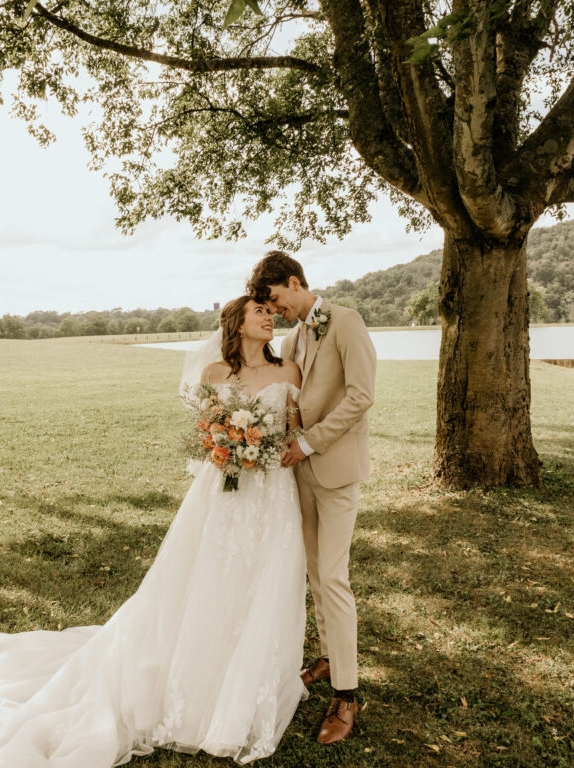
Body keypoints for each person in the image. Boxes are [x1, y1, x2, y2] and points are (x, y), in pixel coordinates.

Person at [0, 297, 307, 767]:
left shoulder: (288, 372)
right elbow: (204, 435)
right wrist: (225, 445)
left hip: (270, 495)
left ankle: (249, 683)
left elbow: (291, 433)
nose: (270, 318)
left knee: (262, 581)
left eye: (272, 313)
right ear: (238, 323)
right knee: (209, 580)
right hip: (220, 494)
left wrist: (261, 449)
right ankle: (201, 677)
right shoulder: (213, 374)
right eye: (260, 313)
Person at [248, 252, 377, 745]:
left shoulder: (346, 322)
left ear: (295, 282)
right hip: (299, 476)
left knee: (333, 576)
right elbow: (292, 401)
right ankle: (328, 657)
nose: (274, 309)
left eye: (276, 298)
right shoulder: (291, 338)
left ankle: (346, 693)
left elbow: (361, 396)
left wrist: (309, 441)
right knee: (314, 571)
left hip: (337, 470)